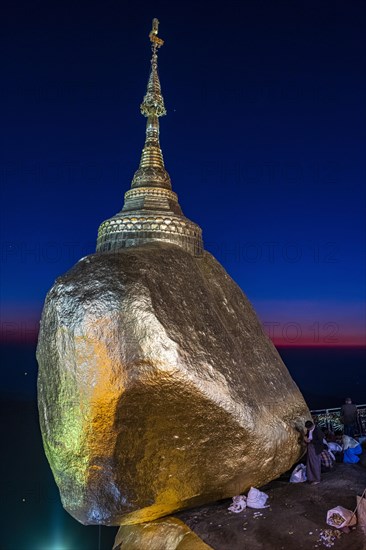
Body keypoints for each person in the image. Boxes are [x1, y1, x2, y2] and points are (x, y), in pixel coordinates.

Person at [304, 420, 325, 484]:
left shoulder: (317, 431)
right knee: (310, 463)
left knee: (315, 463)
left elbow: (320, 441)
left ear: (311, 426)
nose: (308, 429)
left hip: (315, 448)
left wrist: (310, 441)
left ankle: (317, 479)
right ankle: (311, 478)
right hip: (310, 447)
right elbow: (309, 435)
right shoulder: (309, 430)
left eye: (308, 428)